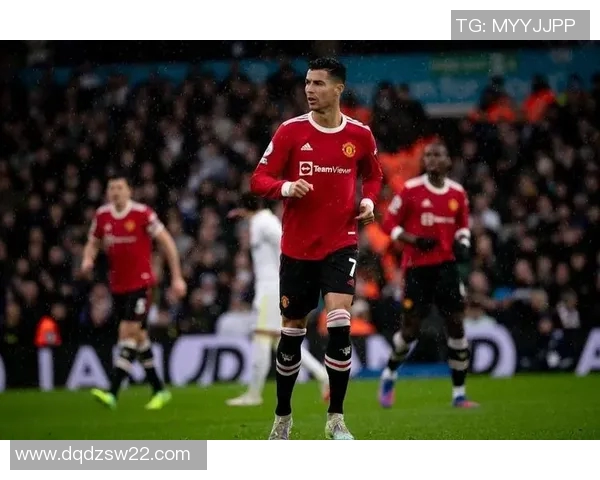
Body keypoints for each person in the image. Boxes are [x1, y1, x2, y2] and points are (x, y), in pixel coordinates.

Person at [250, 57, 383, 440]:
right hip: (297, 248)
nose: (310, 89)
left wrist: (368, 201)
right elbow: (258, 179)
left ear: (338, 88)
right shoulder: (291, 131)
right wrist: (286, 187)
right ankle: (282, 417)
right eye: (308, 83)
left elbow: (374, 176)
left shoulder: (359, 135)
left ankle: (336, 419)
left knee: (339, 321)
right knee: (292, 331)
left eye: (318, 83)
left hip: (341, 243)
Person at [378, 141, 479, 409]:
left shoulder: (457, 193)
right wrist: (412, 239)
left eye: (438, 155)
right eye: (429, 155)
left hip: (446, 268)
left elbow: (463, 226)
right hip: (417, 270)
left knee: (456, 326)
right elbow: (388, 224)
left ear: (448, 161)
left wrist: (464, 242)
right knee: (410, 331)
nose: (433, 159)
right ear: (424, 162)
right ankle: (390, 373)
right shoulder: (410, 190)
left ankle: (459, 394)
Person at [81, 171, 187, 410]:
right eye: (112, 188)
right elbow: (93, 242)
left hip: (142, 284)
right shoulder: (102, 215)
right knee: (139, 338)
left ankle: (112, 393)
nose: (115, 192)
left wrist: (177, 277)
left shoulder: (142, 214)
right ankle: (159, 389)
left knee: (127, 333)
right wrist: (88, 259)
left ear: (129, 191)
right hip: (118, 286)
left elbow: (168, 243)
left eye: (120, 187)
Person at [225, 193, 330, 407]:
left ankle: (254, 394)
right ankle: (323, 375)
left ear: (245, 208)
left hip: (270, 289)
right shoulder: (262, 221)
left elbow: (286, 243)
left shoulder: (263, 223)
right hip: (271, 287)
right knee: (280, 342)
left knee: (261, 338)